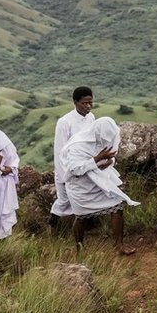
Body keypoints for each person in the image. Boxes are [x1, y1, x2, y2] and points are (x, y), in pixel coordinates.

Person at [62, 117, 139, 255]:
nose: (106, 141)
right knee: (81, 217)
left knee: (117, 206)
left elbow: (111, 155)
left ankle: (119, 245)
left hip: (99, 181)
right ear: (96, 132)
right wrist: (96, 159)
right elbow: (74, 169)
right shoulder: (78, 145)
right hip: (80, 187)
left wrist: (110, 161)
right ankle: (79, 247)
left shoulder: (110, 135)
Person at [51, 86, 96, 227]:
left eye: (90, 102)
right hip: (68, 168)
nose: (88, 106)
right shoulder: (65, 122)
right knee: (64, 201)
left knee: (86, 198)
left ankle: (89, 228)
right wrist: (65, 175)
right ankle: (53, 226)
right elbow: (60, 151)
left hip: (85, 166)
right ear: (75, 102)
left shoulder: (91, 117)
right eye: (84, 103)